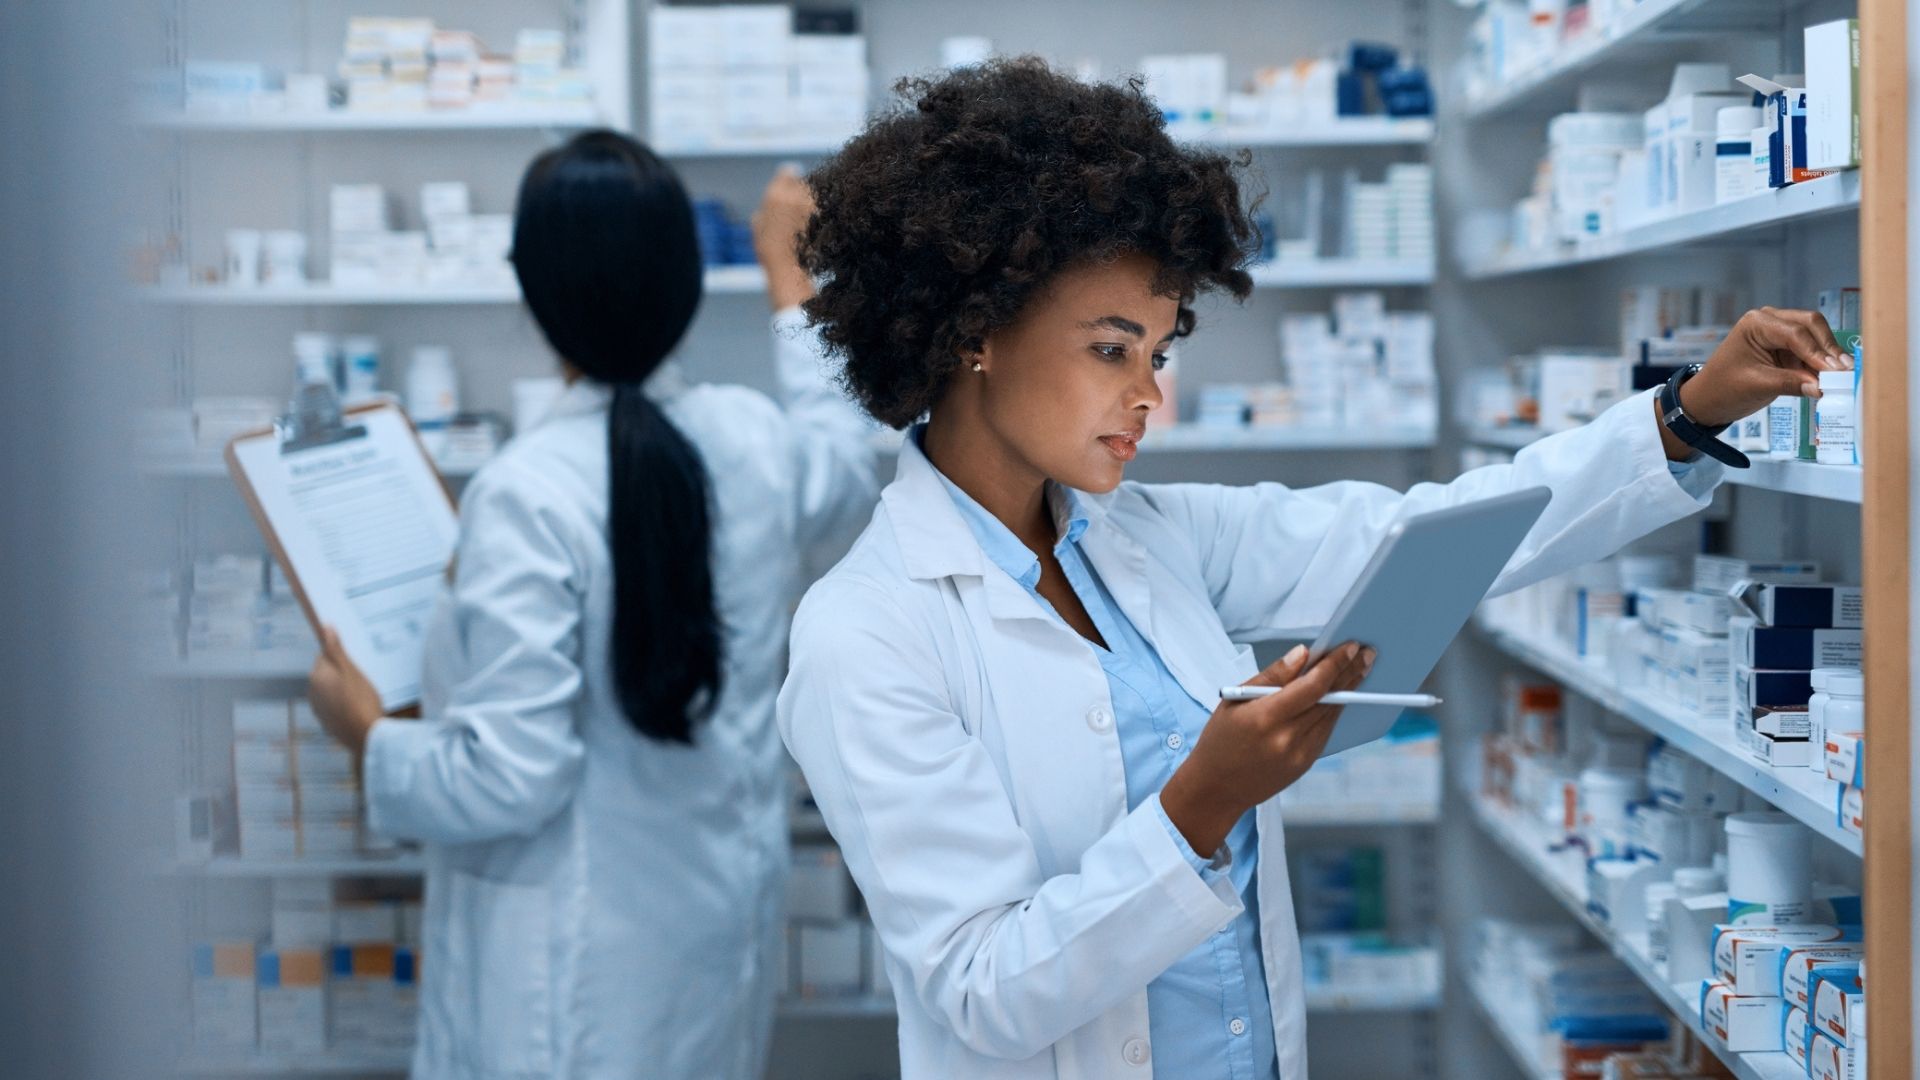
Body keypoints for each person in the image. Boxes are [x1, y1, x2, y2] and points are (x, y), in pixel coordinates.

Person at [776, 59, 1847, 1080]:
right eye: (1111, 349)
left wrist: (1686, 411)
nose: (1149, 394)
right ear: (975, 334)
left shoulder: (1147, 540)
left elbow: (1443, 533)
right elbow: (981, 987)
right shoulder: (865, 632)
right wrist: (1203, 801)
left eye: (1158, 351)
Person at [304, 132, 878, 1079]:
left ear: (534, 295)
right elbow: (848, 454)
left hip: (566, 969)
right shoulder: (753, 442)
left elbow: (507, 779)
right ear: (685, 281)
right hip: (710, 931)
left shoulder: (527, 490)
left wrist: (367, 733)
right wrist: (788, 273)